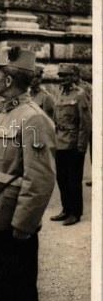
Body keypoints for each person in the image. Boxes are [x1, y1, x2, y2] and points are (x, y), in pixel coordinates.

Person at [0, 46, 56, 301]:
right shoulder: (7, 111)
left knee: (19, 299)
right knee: (3, 294)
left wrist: (23, 225)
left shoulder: (33, 119)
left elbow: (40, 180)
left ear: (8, 80)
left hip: (12, 225)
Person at [50, 63, 92, 226]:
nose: (62, 78)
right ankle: (66, 209)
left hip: (73, 144)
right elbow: (55, 118)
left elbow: (85, 123)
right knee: (62, 179)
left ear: (73, 76)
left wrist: (81, 147)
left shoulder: (80, 94)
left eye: (65, 75)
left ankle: (76, 212)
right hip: (59, 142)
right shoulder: (59, 93)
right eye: (60, 75)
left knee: (74, 180)